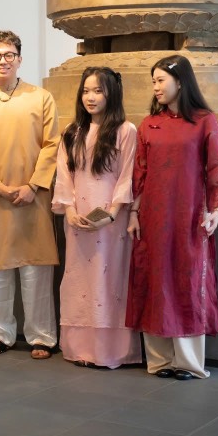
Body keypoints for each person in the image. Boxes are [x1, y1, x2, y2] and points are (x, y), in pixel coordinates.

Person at [125, 54, 218, 380]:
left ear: (180, 82)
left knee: (188, 282)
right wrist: (134, 213)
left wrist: (215, 210)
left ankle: (189, 362)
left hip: (190, 215)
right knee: (155, 281)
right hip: (152, 216)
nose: (155, 87)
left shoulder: (204, 121)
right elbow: (140, 174)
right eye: (153, 81)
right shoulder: (149, 124)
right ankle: (159, 361)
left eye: (160, 80)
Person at [0, 30, 60, 358]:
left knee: (36, 270)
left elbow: (52, 144)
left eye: (8, 55)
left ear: (19, 59)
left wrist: (33, 186)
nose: (2, 61)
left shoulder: (41, 98)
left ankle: (41, 337)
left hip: (34, 198)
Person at [51, 67, 142, 369]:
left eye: (98, 91)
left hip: (112, 221)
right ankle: (80, 349)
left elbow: (127, 175)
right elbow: (64, 175)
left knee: (110, 282)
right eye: (86, 91)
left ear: (111, 93)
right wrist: (69, 210)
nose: (90, 97)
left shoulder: (126, 131)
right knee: (79, 281)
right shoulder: (72, 132)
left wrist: (113, 214)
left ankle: (110, 352)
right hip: (77, 218)